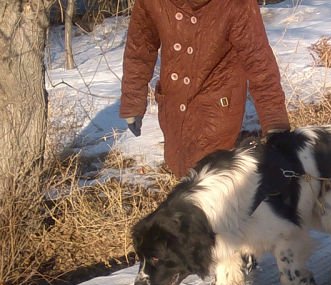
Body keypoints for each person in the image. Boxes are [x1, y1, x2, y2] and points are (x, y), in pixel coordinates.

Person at [119, 0, 291, 178]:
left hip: (216, 105)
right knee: (181, 167)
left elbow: (258, 60)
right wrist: (132, 100)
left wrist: (274, 122)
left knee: (210, 179)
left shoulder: (236, 4)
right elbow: (140, 47)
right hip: (173, 103)